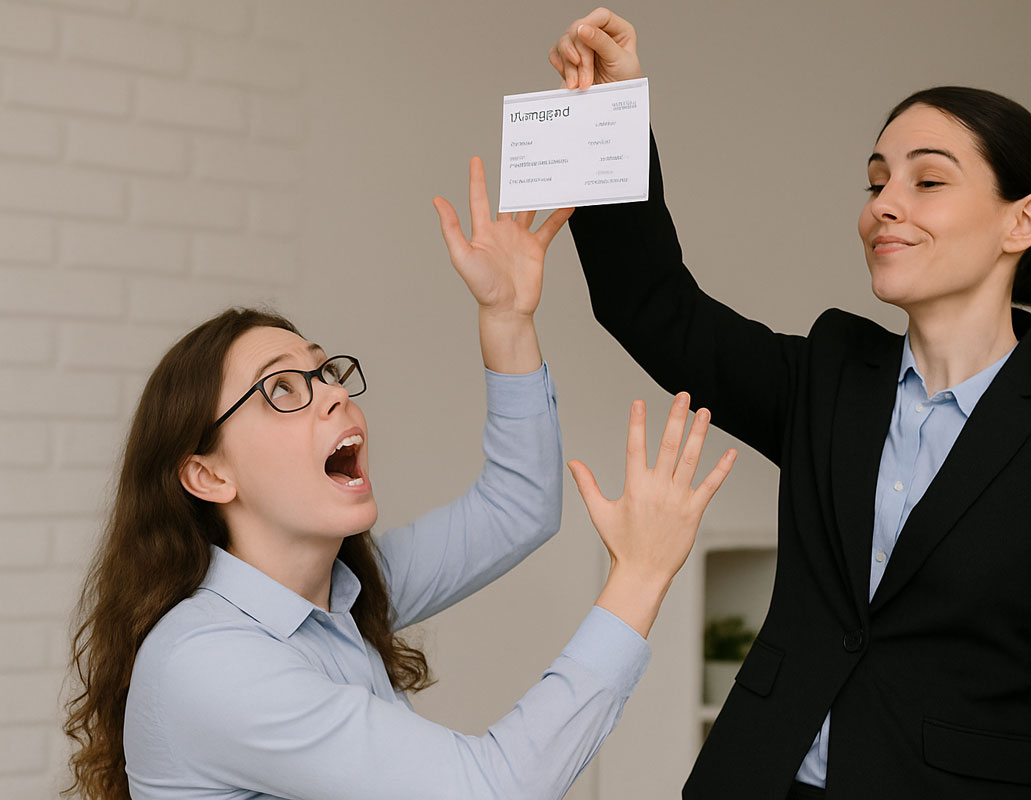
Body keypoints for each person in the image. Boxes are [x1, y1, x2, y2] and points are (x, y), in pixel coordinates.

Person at [549, 8, 1031, 799]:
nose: (885, 203)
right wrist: (609, 115)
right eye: (877, 180)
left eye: (928, 180)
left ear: (1024, 220)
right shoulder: (831, 376)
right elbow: (649, 303)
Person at [62, 156, 737, 800]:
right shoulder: (205, 663)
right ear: (207, 475)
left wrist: (505, 319)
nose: (331, 394)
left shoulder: (340, 595)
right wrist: (641, 574)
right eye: (282, 390)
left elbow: (518, 507)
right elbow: (490, 789)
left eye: (324, 371)